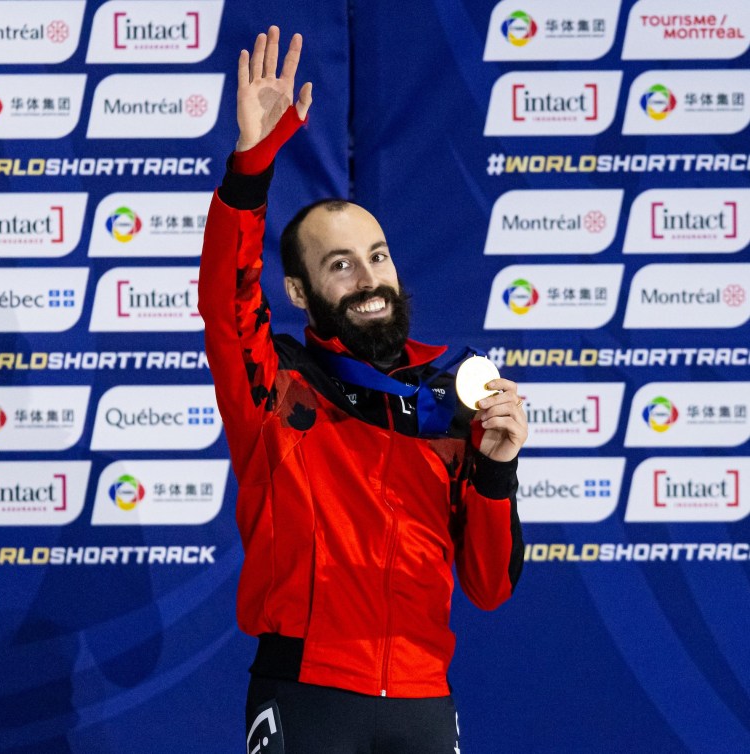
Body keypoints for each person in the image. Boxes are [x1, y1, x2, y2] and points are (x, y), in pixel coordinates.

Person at [199, 26, 526, 753]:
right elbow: (226, 302)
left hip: (423, 699)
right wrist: (252, 165)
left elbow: (489, 586)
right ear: (300, 291)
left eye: (377, 256)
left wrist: (497, 471)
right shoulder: (277, 389)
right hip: (307, 692)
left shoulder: (450, 400)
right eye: (340, 265)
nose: (368, 278)